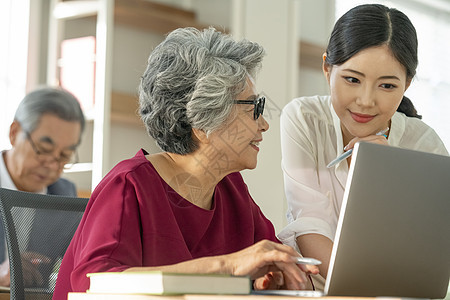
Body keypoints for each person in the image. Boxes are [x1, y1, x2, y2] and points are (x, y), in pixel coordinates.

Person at [53, 27, 319, 299]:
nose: (264, 124)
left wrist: (276, 279)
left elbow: (273, 264)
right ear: (203, 121)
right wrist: (228, 266)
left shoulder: (232, 189)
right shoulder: (128, 185)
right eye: (253, 109)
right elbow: (93, 283)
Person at [277, 3, 449, 290]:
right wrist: (358, 289)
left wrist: (386, 171)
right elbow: (309, 223)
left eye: (387, 86)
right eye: (352, 80)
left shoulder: (424, 143)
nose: (366, 101)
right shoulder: (304, 118)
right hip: (314, 289)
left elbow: (426, 248)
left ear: (406, 84)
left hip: (395, 292)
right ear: (327, 68)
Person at [0, 87, 85, 287]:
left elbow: (75, 269)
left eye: (64, 156)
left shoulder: (64, 196)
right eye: (43, 150)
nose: (52, 165)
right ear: (14, 133)